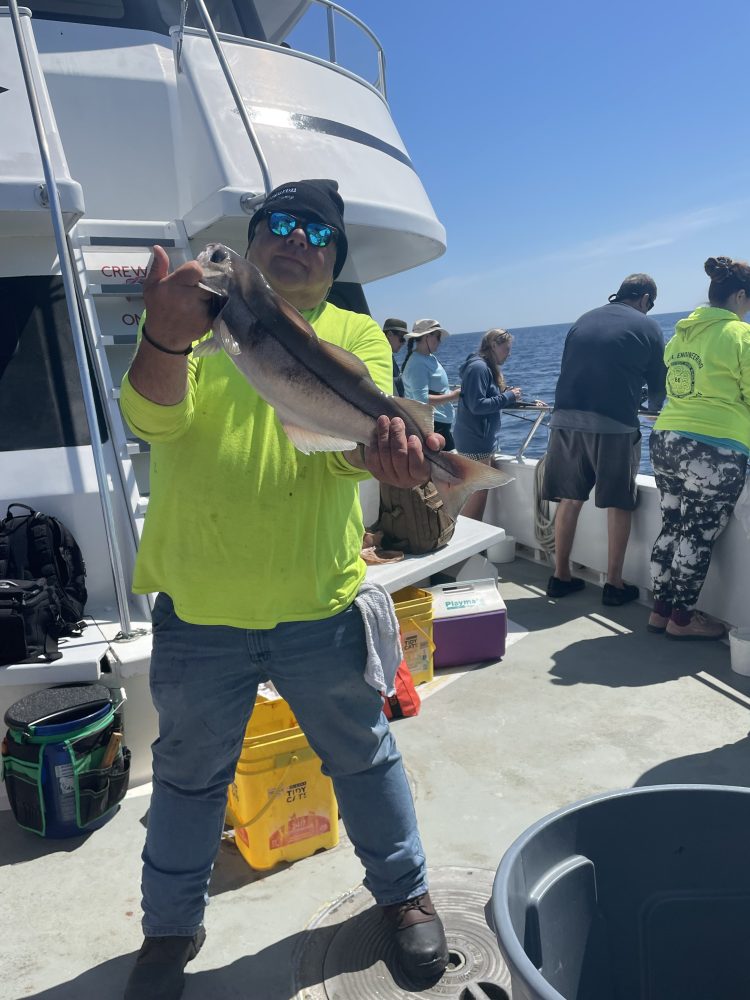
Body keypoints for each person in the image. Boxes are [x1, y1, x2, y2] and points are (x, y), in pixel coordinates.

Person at [120, 179, 449, 1000]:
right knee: (189, 780)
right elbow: (150, 422)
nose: (295, 239)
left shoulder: (356, 334)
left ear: (333, 259)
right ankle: (168, 932)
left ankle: (405, 896)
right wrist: (164, 338)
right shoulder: (193, 323)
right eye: (278, 225)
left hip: (320, 604)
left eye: (316, 232)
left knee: (365, 760)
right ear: (254, 241)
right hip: (199, 611)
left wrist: (394, 459)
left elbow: (336, 453)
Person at [541, 274, 666, 605]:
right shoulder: (648, 327)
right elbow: (658, 390)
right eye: (650, 305)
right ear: (643, 298)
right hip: (614, 427)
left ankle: (560, 576)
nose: (649, 311)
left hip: (564, 421)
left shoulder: (583, 319)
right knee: (618, 503)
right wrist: (650, 406)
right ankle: (613, 584)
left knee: (570, 499)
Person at [648, 256, 750, 640]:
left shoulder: (680, 336)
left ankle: (659, 611)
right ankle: (682, 620)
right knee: (697, 536)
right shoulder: (741, 335)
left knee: (672, 525)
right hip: (715, 448)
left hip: (667, 439)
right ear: (739, 295)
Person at [453, 328, 522, 520]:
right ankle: (470, 541)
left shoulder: (482, 367)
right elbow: (477, 405)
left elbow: (485, 397)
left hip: (476, 437)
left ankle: (471, 539)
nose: (509, 354)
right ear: (494, 345)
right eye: (506, 349)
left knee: (479, 489)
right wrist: (508, 396)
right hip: (475, 439)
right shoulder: (479, 368)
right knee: (479, 491)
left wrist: (511, 397)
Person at [401, 318, 461, 450]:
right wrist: (454, 396)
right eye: (438, 337)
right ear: (427, 337)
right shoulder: (417, 364)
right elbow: (421, 400)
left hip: (441, 425)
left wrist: (452, 393)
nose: (440, 341)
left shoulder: (429, 358)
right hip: (432, 426)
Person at [382, 317, 408, 395]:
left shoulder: (388, 355)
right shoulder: (382, 356)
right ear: (389, 334)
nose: (403, 343)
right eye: (402, 339)